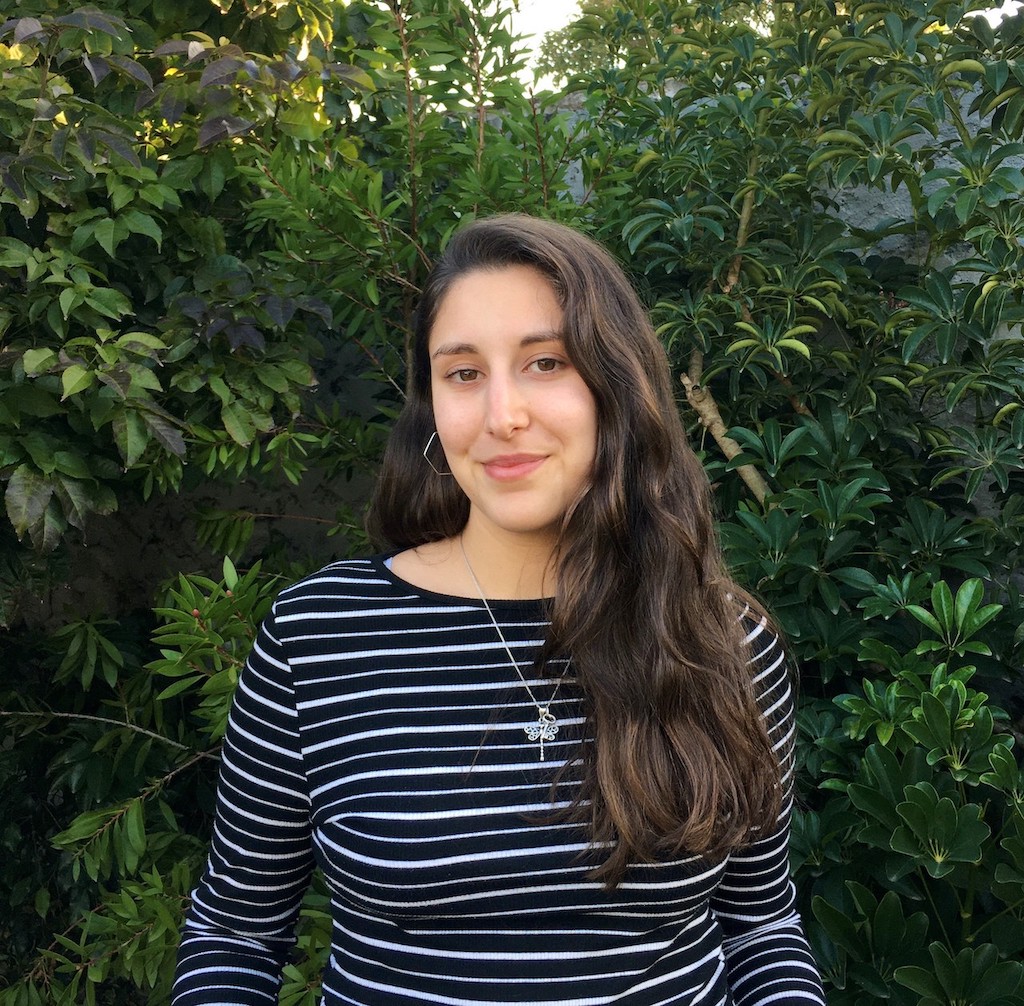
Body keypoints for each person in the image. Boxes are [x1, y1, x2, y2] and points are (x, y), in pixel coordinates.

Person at [172, 214, 826, 1005]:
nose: (501, 415)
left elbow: (759, 925)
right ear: (431, 406)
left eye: (546, 362)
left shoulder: (719, 639)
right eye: (463, 373)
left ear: (617, 389)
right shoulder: (317, 638)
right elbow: (235, 932)